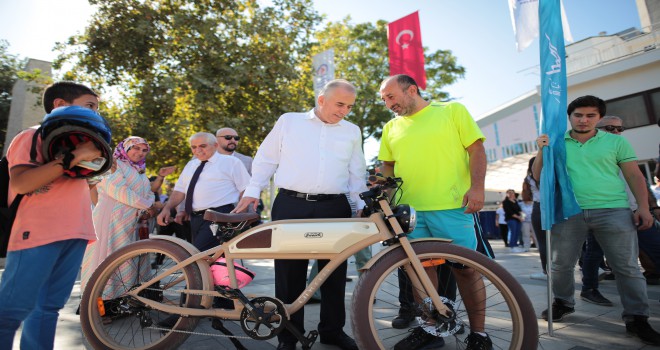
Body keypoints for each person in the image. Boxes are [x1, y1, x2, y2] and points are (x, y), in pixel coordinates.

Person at [233, 79, 366, 350]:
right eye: (339, 104)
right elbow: (266, 157)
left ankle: (332, 332)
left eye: (349, 106)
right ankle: (289, 337)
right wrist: (252, 190)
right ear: (321, 100)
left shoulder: (352, 131)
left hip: (335, 207)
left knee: (333, 273)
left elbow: (356, 172)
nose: (344, 111)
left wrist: (360, 204)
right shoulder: (289, 121)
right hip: (291, 205)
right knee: (288, 275)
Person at [532, 95, 660, 345]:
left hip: (613, 209)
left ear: (599, 118)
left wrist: (644, 207)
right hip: (569, 210)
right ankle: (563, 302)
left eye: (590, 115)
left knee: (627, 267)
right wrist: (541, 150)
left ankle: (637, 318)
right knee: (560, 264)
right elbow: (538, 176)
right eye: (578, 115)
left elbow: (634, 175)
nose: (583, 120)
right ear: (570, 117)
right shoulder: (557, 142)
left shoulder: (615, 142)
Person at [378, 74, 492, 350]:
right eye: (384, 99)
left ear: (412, 90)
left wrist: (477, 188)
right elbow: (388, 169)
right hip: (412, 214)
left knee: (465, 271)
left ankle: (479, 335)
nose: (387, 104)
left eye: (391, 96)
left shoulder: (451, 110)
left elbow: (476, 150)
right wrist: (386, 205)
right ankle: (431, 330)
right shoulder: (391, 128)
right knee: (421, 273)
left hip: (453, 207)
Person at [0, 82, 103, 349]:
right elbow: (22, 183)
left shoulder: (83, 141)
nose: (96, 113)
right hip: (37, 233)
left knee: (47, 309)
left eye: (97, 108)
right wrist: (74, 155)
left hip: (76, 233)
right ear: (59, 105)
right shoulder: (31, 135)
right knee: (9, 313)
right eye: (89, 106)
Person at [580, 116, 660, 305]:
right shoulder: (588, 154)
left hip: (635, 211)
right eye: (611, 128)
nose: (617, 132)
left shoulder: (623, 149)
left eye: (620, 128)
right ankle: (589, 289)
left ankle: (637, 312)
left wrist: (651, 207)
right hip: (604, 212)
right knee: (595, 253)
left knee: (654, 246)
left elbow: (639, 180)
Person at [81, 137, 158, 297]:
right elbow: (118, 191)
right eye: (135, 148)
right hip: (112, 220)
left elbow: (148, 192)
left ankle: (122, 300)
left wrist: (149, 203)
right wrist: (147, 205)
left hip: (131, 222)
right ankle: (100, 304)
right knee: (108, 259)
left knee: (126, 261)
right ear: (125, 148)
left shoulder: (139, 170)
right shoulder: (113, 164)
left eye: (144, 150)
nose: (140, 153)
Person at [525, 156, 548, 279]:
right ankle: (557, 270)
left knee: (542, 242)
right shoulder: (548, 174)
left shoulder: (529, 178)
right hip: (551, 207)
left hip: (538, 208)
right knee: (556, 241)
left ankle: (546, 271)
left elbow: (527, 194)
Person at [519, 186, 535, 252]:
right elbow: (519, 212)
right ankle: (526, 247)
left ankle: (540, 247)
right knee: (526, 234)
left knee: (535, 234)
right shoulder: (520, 204)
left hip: (533, 220)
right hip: (525, 221)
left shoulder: (534, 203)